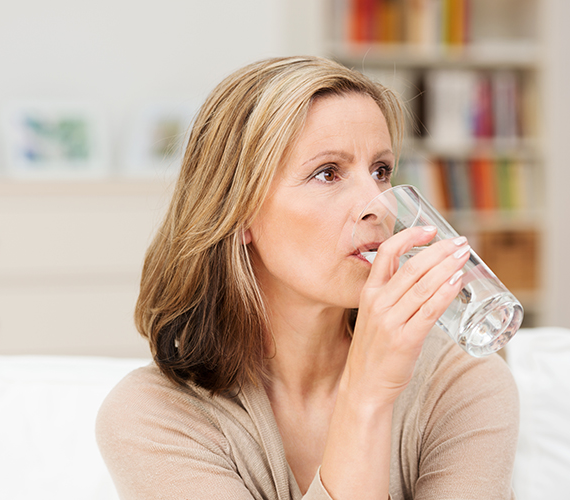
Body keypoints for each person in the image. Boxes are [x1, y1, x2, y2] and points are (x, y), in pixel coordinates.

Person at [96, 56, 519, 500]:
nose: (377, 203)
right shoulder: (151, 417)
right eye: (328, 173)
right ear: (238, 212)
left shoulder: (459, 381)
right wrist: (366, 396)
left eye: (380, 171)